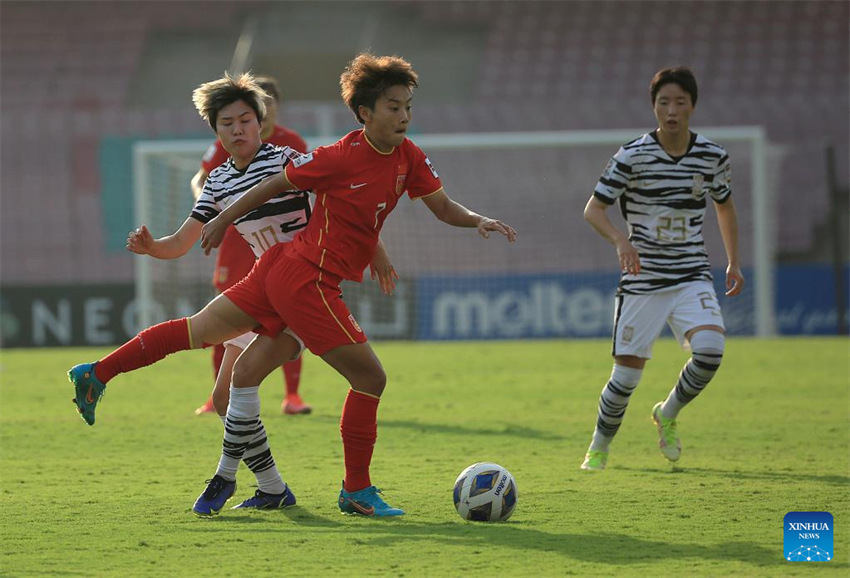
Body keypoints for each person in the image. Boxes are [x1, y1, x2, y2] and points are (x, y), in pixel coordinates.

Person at [68, 52, 515, 519]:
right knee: (367, 378)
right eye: (393, 107)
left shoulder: (390, 156)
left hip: (279, 271)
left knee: (229, 380)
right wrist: (177, 237)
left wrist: (472, 221)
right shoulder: (285, 167)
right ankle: (347, 488)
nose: (403, 116)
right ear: (365, 112)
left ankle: (262, 484)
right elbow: (218, 220)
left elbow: (422, 207)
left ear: (262, 122)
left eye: (407, 107)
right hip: (304, 279)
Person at [69, 72, 397, 515]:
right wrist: (152, 247)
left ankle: (236, 478)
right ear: (216, 131)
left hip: (305, 290)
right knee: (220, 391)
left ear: (261, 123)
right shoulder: (219, 181)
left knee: (239, 386)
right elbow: (182, 242)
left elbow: (345, 203)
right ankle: (99, 375)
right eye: (227, 123)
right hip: (264, 284)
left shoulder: (287, 160)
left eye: (245, 120)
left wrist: (377, 251)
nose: (238, 129)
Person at [579, 67, 744, 471]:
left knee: (711, 352)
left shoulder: (712, 156)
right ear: (653, 106)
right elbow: (594, 210)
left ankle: (667, 413)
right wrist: (621, 240)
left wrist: (733, 260)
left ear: (692, 106)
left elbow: (724, 206)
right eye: (663, 102)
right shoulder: (631, 156)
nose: (671, 110)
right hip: (644, 279)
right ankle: (598, 447)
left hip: (691, 274)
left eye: (679, 102)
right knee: (625, 379)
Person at [191, 75, 313, 417]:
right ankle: (217, 396)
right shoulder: (227, 144)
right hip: (237, 241)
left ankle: (292, 395)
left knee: (288, 318)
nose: (267, 110)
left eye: (269, 105)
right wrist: (209, 209)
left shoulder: (290, 145)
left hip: (283, 247)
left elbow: (312, 184)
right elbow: (201, 179)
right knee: (225, 319)